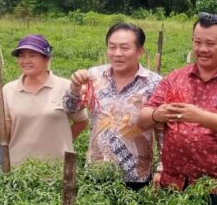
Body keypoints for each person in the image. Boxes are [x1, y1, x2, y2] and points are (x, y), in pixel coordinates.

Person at [139, 13, 217, 205]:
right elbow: (143, 117)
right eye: (197, 42)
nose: (202, 49)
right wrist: (158, 114)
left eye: (210, 43)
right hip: (175, 182)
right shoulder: (174, 78)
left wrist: (199, 116)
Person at [65, 23, 162, 190]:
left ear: (140, 51)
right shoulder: (94, 76)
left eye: (125, 48)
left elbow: (162, 129)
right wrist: (74, 87)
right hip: (97, 171)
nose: (117, 54)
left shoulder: (154, 82)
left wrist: (162, 166)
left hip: (136, 175)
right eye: (112, 47)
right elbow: (71, 109)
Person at [1, 35, 87, 168]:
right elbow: (5, 133)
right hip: (18, 168)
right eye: (21, 56)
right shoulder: (8, 90)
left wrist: (62, 142)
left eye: (32, 55)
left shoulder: (66, 87)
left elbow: (81, 121)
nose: (26, 60)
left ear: (46, 59)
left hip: (58, 167)